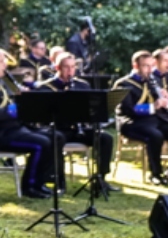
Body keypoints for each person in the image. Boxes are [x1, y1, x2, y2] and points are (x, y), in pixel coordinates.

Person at [0, 48, 56, 198]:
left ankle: (40, 183)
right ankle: (29, 186)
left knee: (56, 136)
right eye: (1, 61)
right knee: (42, 143)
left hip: (11, 131)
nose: (5, 65)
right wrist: (19, 106)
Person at [113, 51, 168, 186]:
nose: (150, 70)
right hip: (131, 123)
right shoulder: (123, 84)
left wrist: (166, 98)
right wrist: (153, 106)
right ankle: (155, 174)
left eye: (151, 66)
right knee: (156, 136)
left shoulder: (152, 81)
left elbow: (161, 104)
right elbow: (129, 109)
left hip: (154, 121)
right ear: (135, 66)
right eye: (145, 66)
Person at [37, 53, 117, 192]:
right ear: (57, 67)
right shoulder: (46, 88)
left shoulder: (82, 85)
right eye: (66, 67)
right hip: (59, 129)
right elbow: (41, 116)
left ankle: (100, 178)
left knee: (105, 138)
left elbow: (93, 110)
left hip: (79, 128)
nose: (70, 71)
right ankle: (59, 181)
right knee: (57, 139)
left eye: (73, 67)